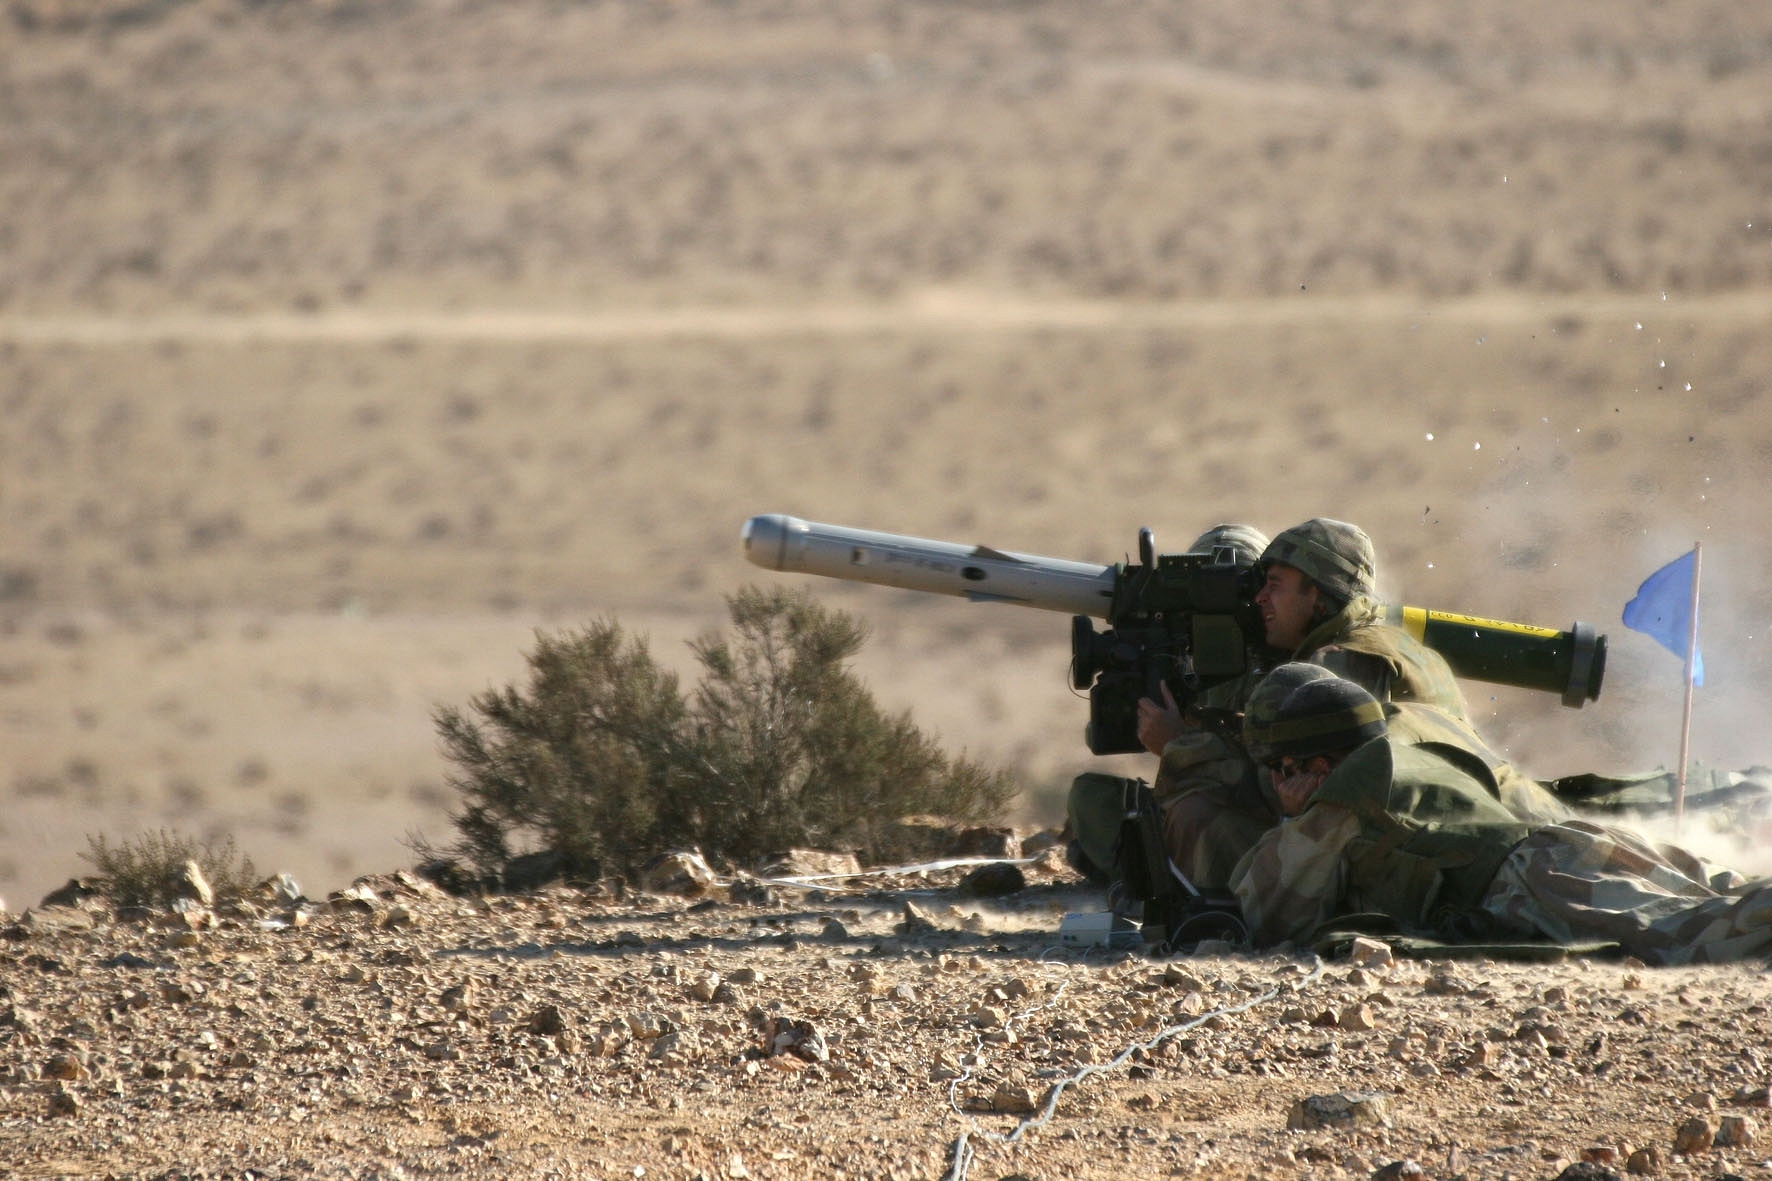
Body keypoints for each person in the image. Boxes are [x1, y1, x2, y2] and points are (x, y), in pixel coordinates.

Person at [1230, 675, 1772, 965]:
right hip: (1566, 842)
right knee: (1724, 893)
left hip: (1537, 874)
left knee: (1695, 936)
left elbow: (1269, 912)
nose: (1279, 782)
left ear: (1318, 767)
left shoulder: (1342, 800)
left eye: (1284, 770)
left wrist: (1295, 815)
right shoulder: (1409, 752)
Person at [1255, 517, 1470, 721]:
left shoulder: (1344, 659)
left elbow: (1336, 755)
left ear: (1319, 594)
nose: (1260, 598)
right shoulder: (1407, 650)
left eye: (1275, 585)